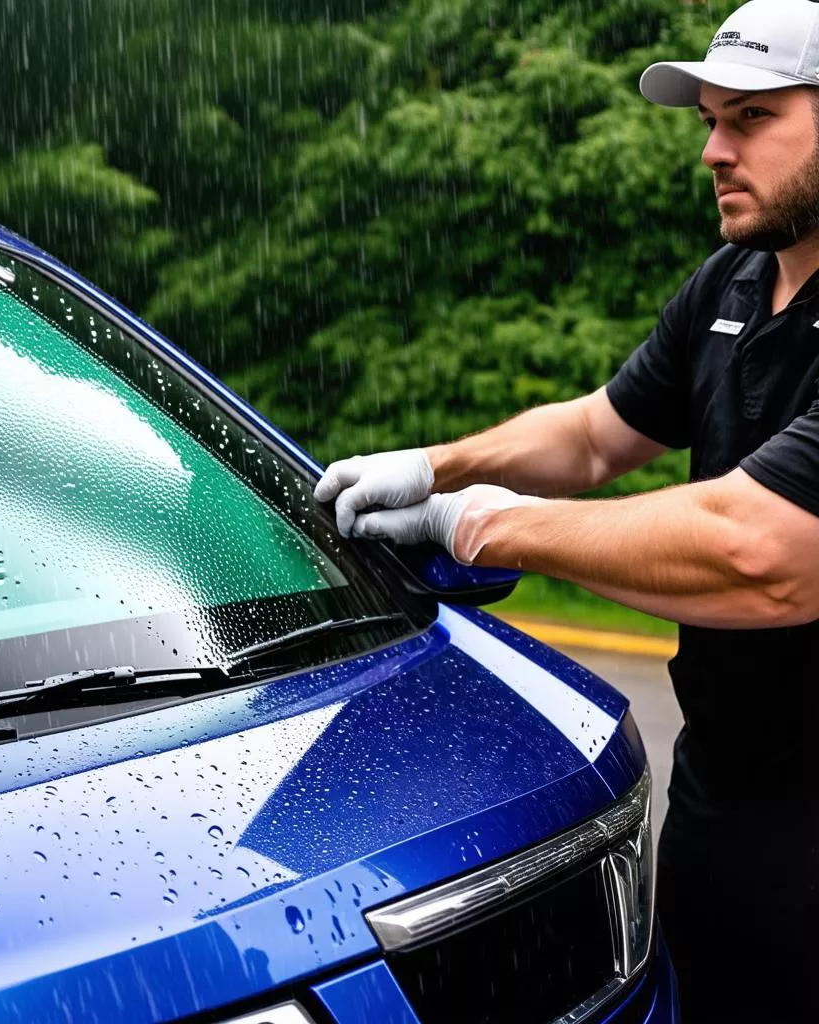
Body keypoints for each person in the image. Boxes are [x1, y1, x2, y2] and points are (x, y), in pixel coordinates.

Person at [314, 1, 819, 1020]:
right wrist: (433, 465)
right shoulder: (734, 280)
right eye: (710, 121)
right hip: (721, 798)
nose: (716, 151)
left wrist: (477, 524)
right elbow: (595, 436)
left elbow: (764, 555)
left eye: (753, 119)